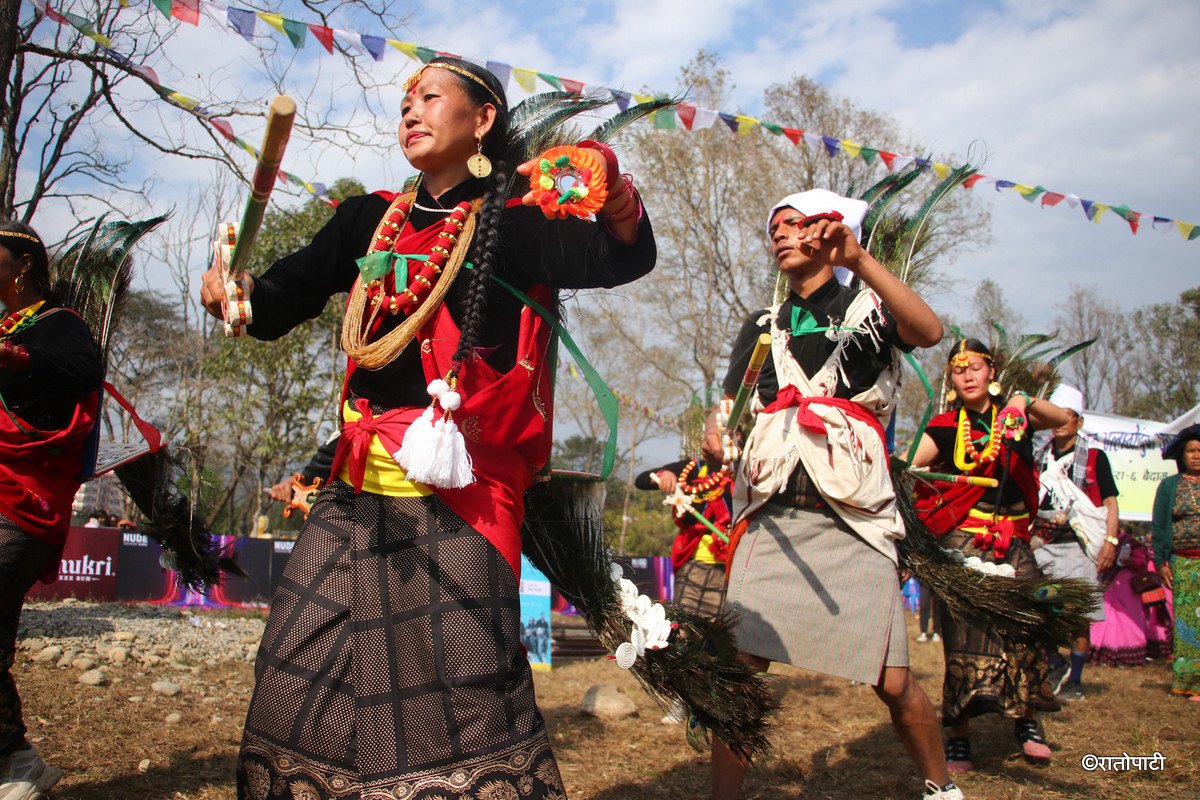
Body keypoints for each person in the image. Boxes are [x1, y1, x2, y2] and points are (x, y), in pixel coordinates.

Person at [199, 57, 655, 799]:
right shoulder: (365, 217)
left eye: (430, 97)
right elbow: (285, 294)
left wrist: (614, 189)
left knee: (459, 703)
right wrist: (237, 290)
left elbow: (623, 255)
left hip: (459, 496)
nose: (410, 109)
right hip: (353, 488)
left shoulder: (517, 220)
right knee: (295, 671)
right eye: (405, 100)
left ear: (481, 122)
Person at [703, 190, 963, 800]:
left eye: (794, 224)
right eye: (774, 230)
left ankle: (942, 789)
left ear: (829, 230)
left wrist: (861, 258)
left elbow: (928, 331)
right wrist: (720, 433)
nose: (781, 236)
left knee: (894, 681)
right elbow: (733, 405)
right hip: (772, 513)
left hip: (854, 516)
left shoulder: (869, 305)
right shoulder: (762, 326)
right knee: (737, 675)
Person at [910, 340, 1070, 771]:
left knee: (1030, 623)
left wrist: (1021, 400)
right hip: (964, 540)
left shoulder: (1014, 418)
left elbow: (1066, 420)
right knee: (962, 631)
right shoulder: (945, 426)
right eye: (958, 369)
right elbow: (909, 465)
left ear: (991, 372)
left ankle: (1028, 720)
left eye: (975, 367)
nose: (967, 375)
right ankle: (959, 733)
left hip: (1014, 539)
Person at [0, 221, 103, 799]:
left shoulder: (60, 325)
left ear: (21, 264)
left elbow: (84, 371)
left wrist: (11, 356)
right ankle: (15, 759)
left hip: (24, 501)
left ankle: (15, 764)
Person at [1031, 384, 1119, 701]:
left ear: (1078, 421)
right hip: (1043, 544)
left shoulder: (1095, 458)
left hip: (1080, 546)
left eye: (1067, 417)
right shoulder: (1040, 457)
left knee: (1079, 615)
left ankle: (1075, 681)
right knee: (1037, 608)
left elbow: (1110, 502)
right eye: (1055, 417)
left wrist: (1110, 540)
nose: (1060, 423)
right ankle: (1054, 662)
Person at [634, 458, 732, 619]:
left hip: (733, 571)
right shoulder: (691, 468)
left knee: (725, 636)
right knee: (686, 630)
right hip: (693, 569)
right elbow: (642, 480)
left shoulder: (744, 469)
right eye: (711, 434)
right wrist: (665, 474)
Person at [1152, 423, 1200, 700]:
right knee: (1187, 623)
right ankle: (1189, 682)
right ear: (1181, 455)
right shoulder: (1170, 486)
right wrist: (1161, 563)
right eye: (1191, 450)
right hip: (1182, 562)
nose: (1196, 455)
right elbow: (1159, 527)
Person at [1088, 528, 1172, 665]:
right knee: (1106, 619)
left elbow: (1141, 563)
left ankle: (1126, 656)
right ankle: (1104, 654)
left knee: (1128, 621)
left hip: (1128, 588)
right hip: (1109, 586)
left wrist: (1128, 561)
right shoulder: (1100, 539)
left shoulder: (1130, 542)